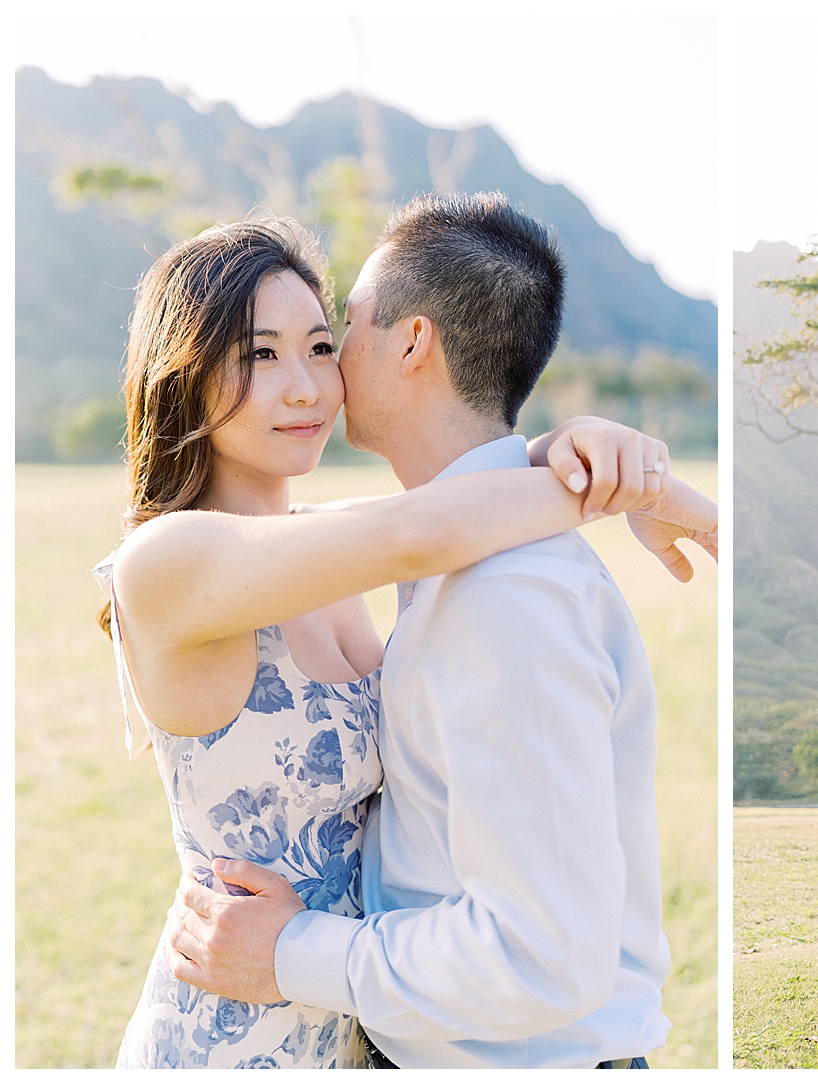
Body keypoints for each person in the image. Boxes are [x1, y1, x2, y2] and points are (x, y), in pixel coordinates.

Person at [96, 209, 715, 1069]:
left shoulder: (326, 549)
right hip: (241, 1023)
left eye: (323, 342)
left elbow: (441, 512)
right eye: (260, 355)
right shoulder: (171, 559)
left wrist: (570, 454)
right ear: (186, 370)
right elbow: (423, 529)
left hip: (345, 1009)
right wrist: (624, 487)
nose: (310, 383)